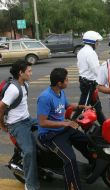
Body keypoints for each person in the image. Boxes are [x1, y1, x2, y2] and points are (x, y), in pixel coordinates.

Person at [37, 68, 90, 190]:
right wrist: (65, 124)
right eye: (66, 80)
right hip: (50, 135)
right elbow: (42, 122)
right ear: (59, 83)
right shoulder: (45, 97)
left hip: (62, 129)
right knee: (70, 160)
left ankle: (94, 167)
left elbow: (67, 105)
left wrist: (83, 107)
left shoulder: (60, 92)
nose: (68, 81)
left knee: (88, 141)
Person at [0, 60, 39, 190]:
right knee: (29, 151)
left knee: (50, 127)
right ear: (20, 73)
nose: (31, 73)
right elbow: (1, 107)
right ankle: (30, 185)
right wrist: (2, 125)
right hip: (17, 124)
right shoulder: (13, 89)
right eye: (29, 71)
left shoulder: (25, 84)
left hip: (28, 119)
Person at [72, 31, 106, 125]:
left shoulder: (81, 51)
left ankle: (104, 125)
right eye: (97, 42)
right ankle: (70, 126)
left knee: (97, 106)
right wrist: (105, 82)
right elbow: (96, 70)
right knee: (82, 108)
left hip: (85, 82)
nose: (98, 44)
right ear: (92, 42)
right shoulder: (91, 53)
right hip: (89, 85)